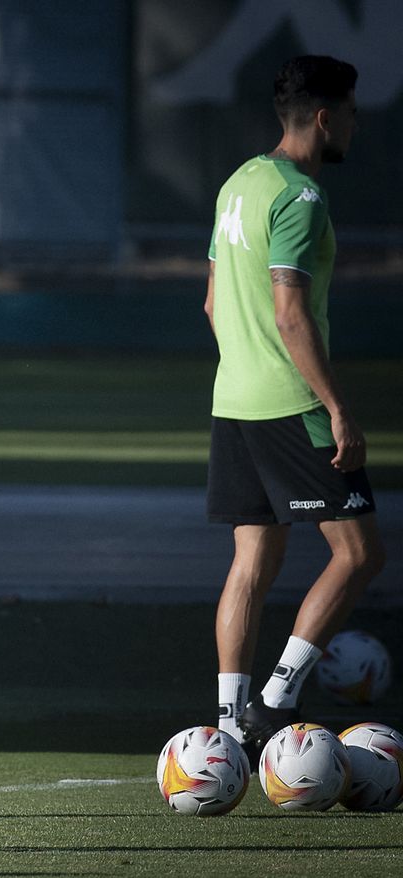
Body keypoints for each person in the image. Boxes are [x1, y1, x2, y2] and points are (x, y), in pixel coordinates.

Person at [205, 55, 386, 761]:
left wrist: (246, 369)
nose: (355, 126)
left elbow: (213, 303)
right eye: (351, 114)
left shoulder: (237, 184)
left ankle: (227, 727)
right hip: (292, 402)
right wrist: (335, 406)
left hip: (234, 399)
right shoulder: (300, 196)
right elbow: (290, 312)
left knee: (253, 558)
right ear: (323, 117)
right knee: (360, 554)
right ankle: (277, 700)